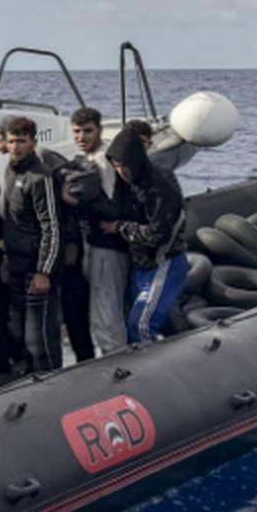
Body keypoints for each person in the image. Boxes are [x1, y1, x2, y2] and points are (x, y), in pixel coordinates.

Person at [102, 127, 190, 343]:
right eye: (116, 166)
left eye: (124, 165)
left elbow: (157, 234)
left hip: (163, 262)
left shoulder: (160, 188)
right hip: (140, 264)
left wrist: (120, 228)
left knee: (140, 324)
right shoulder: (129, 187)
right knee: (130, 320)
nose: (121, 171)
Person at [61, 107, 131, 357]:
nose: (81, 137)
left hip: (108, 246)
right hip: (92, 244)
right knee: (104, 311)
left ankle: (118, 364)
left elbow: (113, 206)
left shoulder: (104, 160)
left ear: (99, 130)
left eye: (88, 131)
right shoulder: (86, 160)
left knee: (106, 315)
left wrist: (77, 200)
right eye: (77, 132)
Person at [0, 115, 63, 371]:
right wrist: (6, 257)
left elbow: (52, 227)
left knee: (39, 341)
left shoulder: (40, 177)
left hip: (36, 269)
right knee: (17, 333)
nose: (16, 147)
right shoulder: (10, 171)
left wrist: (44, 271)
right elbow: (11, 221)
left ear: (33, 143)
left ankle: (55, 384)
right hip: (15, 265)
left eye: (22, 141)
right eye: (12, 141)